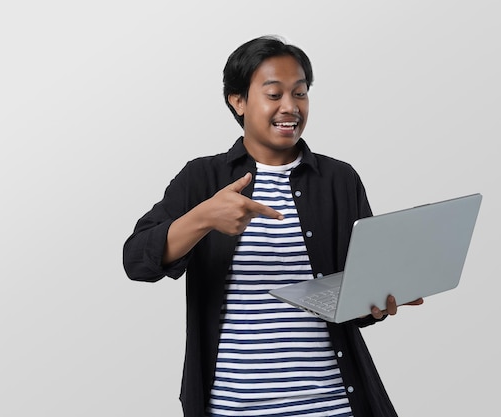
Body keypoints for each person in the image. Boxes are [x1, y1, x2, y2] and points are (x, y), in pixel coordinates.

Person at [123, 35, 423, 417]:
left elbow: (355, 297)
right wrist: (203, 217)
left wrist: (377, 301)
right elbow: (136, 260)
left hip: (332, 405)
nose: (290, 107)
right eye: (274, 94)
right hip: (232, 408)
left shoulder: (339, 180)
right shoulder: (202, 178)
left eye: (300, 94)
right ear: (238, 101)